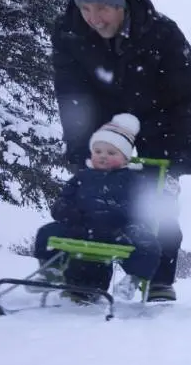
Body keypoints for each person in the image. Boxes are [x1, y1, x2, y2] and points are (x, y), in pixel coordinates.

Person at [50, 0, 191, 302]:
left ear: (120, 5)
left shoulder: (161, 33)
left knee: (155, 203)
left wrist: (186, 150)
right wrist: (79, 144)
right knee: (95, 197)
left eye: (103, 8)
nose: (95, 17)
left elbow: (190, 95)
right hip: (105, 124)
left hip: (160, 122)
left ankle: (157, 279)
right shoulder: (69, 34)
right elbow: (71, 95)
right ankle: (86, 280)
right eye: (86, 8)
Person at [30, 114, 162, 305]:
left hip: (119, 231)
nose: (103, 156)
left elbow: (141, 208)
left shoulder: (132, 180)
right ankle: (50, 271)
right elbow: (63, 201)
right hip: (82, 228)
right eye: (98, 151)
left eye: (111, 153)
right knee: (47, 232)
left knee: (149, 243)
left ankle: (133, 278)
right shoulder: (82, 177)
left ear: (125, 159)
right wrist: (69, 213)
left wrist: (122, 216)